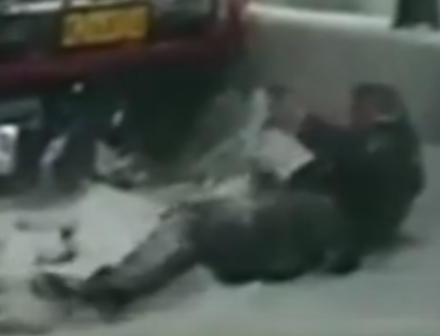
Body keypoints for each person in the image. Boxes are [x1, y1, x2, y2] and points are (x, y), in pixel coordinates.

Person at [34, 82, 425, 314]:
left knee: (193, 224)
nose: (351, 117)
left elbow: (358, 160)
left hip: (308, 231)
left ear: (376, 112)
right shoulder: (387, 159)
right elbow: (348, 165)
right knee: (200, 221)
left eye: (358, 111)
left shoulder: (383, 151)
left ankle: (115, 287)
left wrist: (305, 127)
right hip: (308, 234)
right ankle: (119, 281)